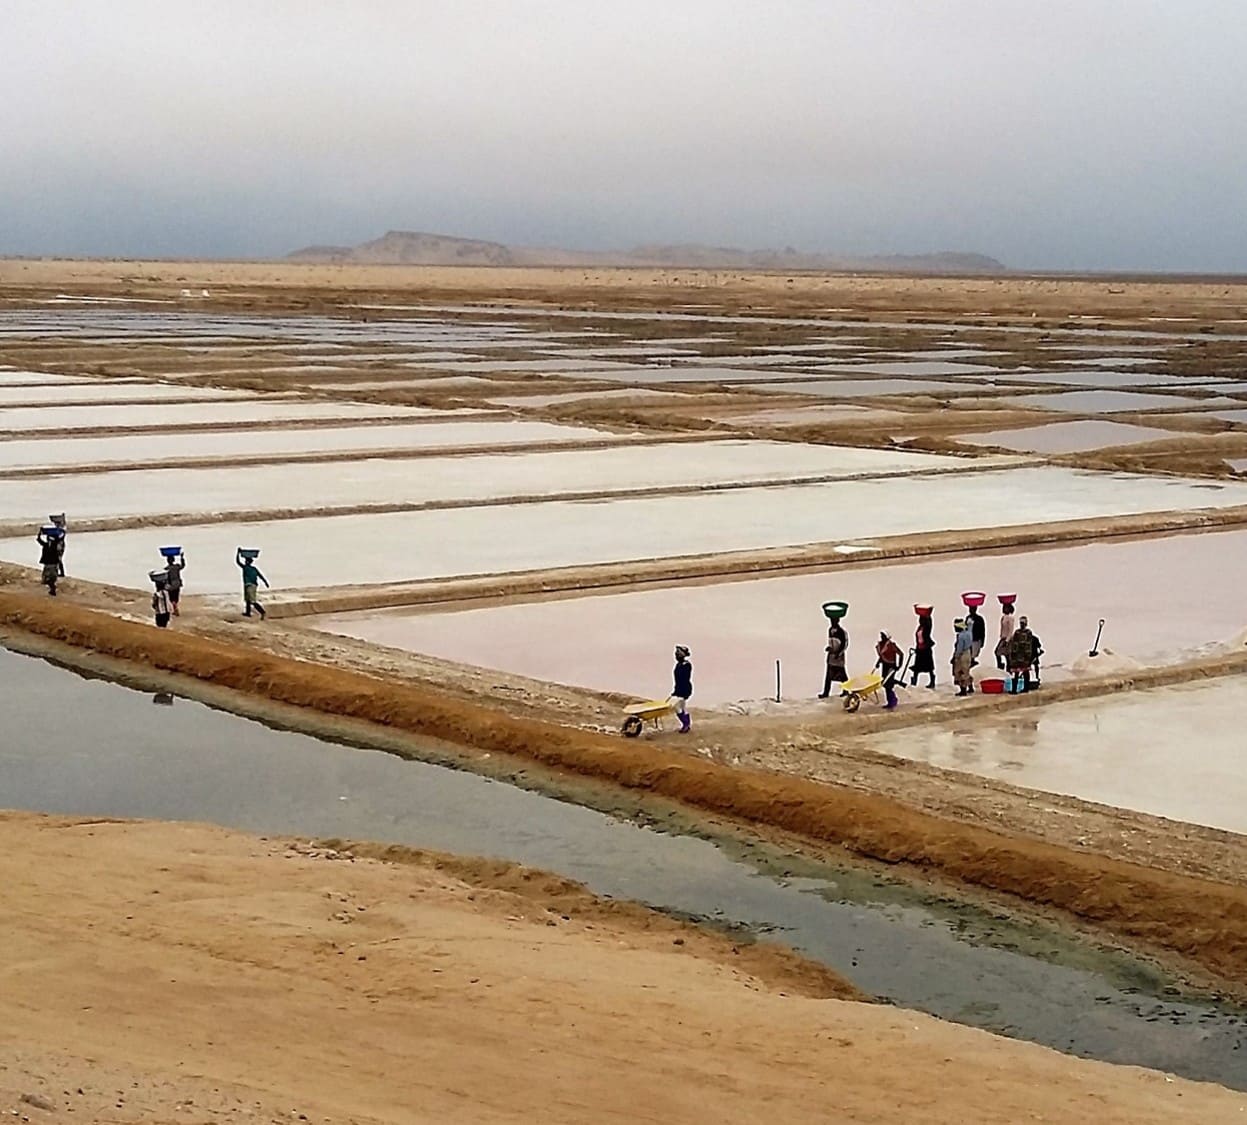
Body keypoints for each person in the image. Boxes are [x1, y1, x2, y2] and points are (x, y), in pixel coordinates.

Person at [818, 619, 849, 698]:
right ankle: (826, 692)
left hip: (838, 657)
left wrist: (838, 653)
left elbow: (844, 644)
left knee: (842, 675)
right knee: (828, 676)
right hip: (831, 656)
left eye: (834, 621)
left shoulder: (841, 632)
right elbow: (831, 642)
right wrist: (829, 648)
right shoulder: (830, 630)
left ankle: (846, 690)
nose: (832, 622)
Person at [1008, 616, 1038, 693]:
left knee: (1019, 673)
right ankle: (1024, 688)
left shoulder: (1019, 632)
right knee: (1023, 672)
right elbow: (1028, 645)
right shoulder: (1026, 633)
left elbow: (1015, 645)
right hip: (1023, 655)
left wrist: (1013, 654)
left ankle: (1016, 689)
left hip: (1020, 655)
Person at [874, 631, 903, 711]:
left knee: (888, 684)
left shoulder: (891, 645)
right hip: (885, 666)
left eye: (883, 636)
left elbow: (901, 654)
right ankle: (891, 701)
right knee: (885, 684)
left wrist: (899, 666)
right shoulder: (881, 645)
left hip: (891, 666)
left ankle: (892, 701)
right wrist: (878, 663)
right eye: (881, 635)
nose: (881, 637)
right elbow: (882, 656)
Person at [236, 549, 269, 619]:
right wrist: (265, 582)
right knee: (247, 600)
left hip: (251, 585)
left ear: (248, 562)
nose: (245, 562)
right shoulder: (252, 568)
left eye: (246, 561)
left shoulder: (246, 568)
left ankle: (262, 612)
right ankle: (248, 613)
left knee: (252, 600)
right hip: (248, 585)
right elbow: (260, 576)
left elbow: (237, 562)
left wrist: (238, 553)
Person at [671, 645, 693, 733]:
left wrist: (678, 691)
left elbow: (683, 679)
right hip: (679, 689)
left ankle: (686, 724)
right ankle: (686, 724)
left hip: (684, 689)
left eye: (678, 653)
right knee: (682, 707)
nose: (676, 655)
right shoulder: (679, 664)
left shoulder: (686, 665)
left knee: (677, 707)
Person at [911, 612, 935, 689]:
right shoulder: (919, 627)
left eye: (921, 619)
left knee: (929, 667)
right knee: (917, 667)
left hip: (926, 649)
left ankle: (932, 681)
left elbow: (930, 623)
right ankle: (914, 682)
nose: (920, 621)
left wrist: (927, 615)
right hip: (919, 649)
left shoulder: (927, 628)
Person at [952, 617, 975, 696]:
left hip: (962, 655)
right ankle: (970, 687)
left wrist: (955, 657)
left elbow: (959, 648)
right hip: (968, 653)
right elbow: (970, 626)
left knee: (960, 672)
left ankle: (963, 690)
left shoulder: (961, 636)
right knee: (966, 670)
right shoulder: (969, 633)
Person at [36, 529, 60, 597]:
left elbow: (58, 539)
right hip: (48, 563)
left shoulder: (54, 545)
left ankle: (53, 589)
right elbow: (39, 540)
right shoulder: (46, 545)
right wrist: (39, 533)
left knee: (51, 578)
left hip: (52, 563)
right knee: (46, 579)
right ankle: (52, 589)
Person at [995, 602, 1016, 669]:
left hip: (1007, 639)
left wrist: (1007, 640)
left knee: (1005, 654)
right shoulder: (1003, 617)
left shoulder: (1010, 618)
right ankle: (1002, 665)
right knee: (1002, 653)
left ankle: (1006, 666)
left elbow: (1011, 630)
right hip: (1003, 638)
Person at [164, 551, 186, 617]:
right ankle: (175, 608)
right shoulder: (177, 567)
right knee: (176, 597)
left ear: (167, 561)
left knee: (172, 598)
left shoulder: (167, 569)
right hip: (177, 584)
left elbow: (165, 578)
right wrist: (182, 557)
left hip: (171, 585)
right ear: (173, 560)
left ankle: (175, 609)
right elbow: (183, 565)